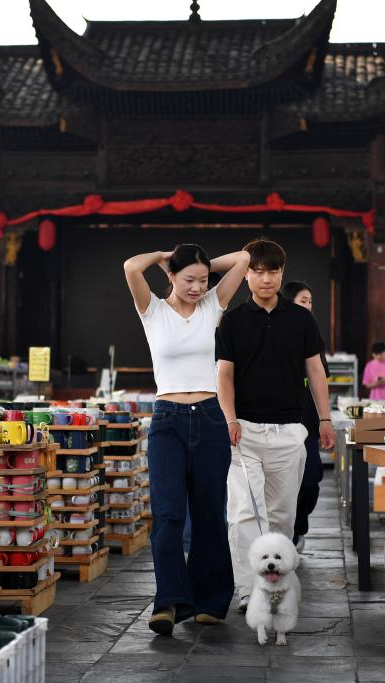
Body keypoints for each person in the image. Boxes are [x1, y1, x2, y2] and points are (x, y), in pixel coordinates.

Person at [124, 244, 250, 636]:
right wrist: (164, 254)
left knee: (211, 513)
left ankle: (211, 601)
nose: (197, 287)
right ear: (171, 277)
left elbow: (244, 259)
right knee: (168, 515)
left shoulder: (214, 304)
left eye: (203, 280)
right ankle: (169, 602)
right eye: (188, 280)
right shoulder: (153, 310)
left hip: (210, 418)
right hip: (167, 422)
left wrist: (201, 264)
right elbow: (131, 263)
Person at [216, 239, 335, 612]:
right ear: (246, 274)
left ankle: (276, 587)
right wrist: (229, 417)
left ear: (281, 273)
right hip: (244, 432)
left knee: (282, 514)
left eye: (272, 271)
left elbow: (315, 370)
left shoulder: (300, 319)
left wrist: (324, 418)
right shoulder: (232, 321)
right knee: (243, 513)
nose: (265, 278)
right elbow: (224, 375)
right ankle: (248, 590)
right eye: (257, 270)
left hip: (289, 430)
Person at [280, 280, 328, 553]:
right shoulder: (273, 332)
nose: (308, 305)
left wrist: (325, 419)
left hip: (308, 426)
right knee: (282, 485)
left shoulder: (312, 335)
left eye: (310, 301)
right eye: (303, 300)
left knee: (310, 479)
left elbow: (321, 380)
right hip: (279, 423)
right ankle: (284, 534)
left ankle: (299, 526)